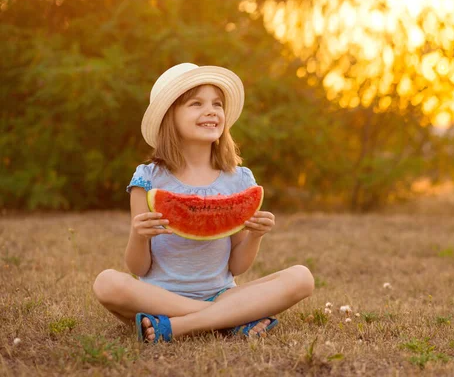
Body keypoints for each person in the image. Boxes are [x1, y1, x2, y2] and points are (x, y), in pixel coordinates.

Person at [92, 63, 315, 342]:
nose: (211, 110)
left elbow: (237, 267)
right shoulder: (148, 179)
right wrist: (138, 235)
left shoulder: (239, 179)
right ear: (170, 117)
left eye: (217, 104)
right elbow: (138, 269)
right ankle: (231, 318)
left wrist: (256, 236)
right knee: (107, 283)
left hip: (222, 292)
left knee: (302, 277)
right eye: (196, 103)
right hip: (158, 296)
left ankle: (176, 327)